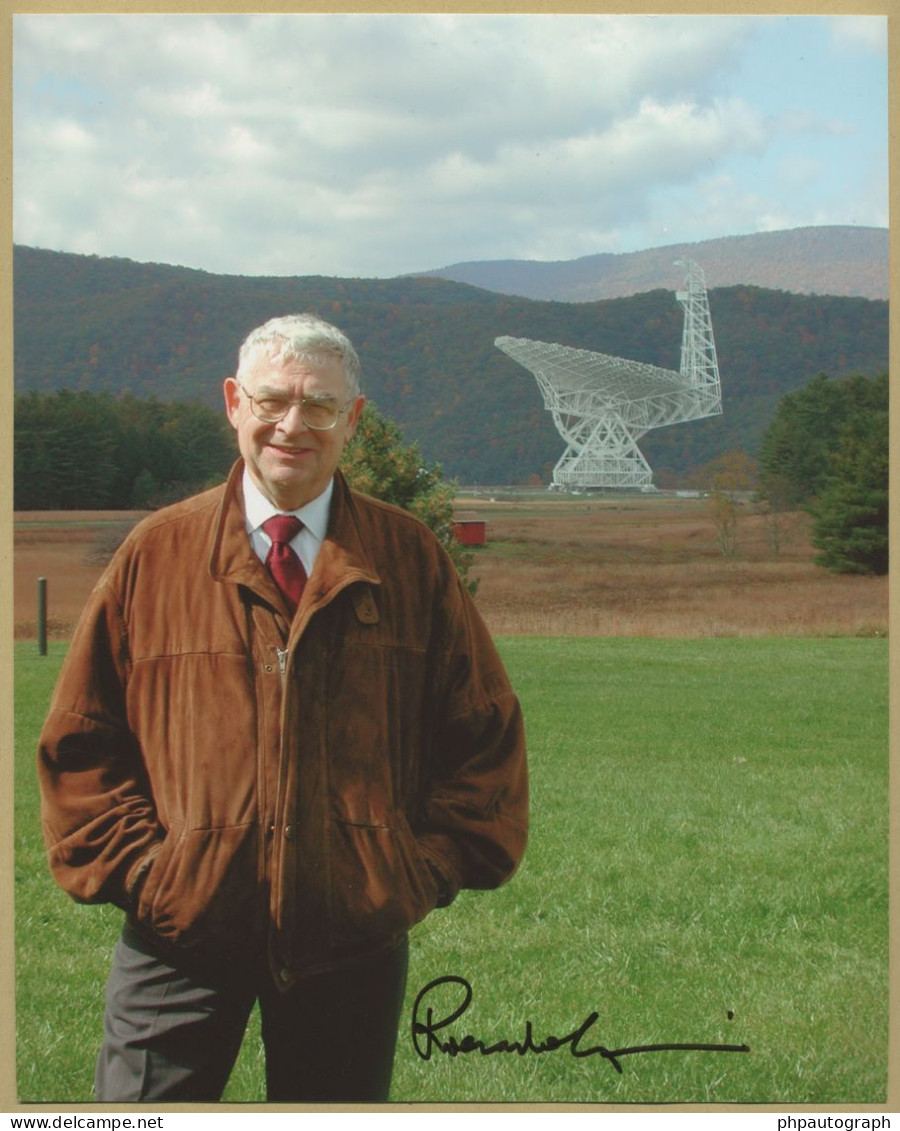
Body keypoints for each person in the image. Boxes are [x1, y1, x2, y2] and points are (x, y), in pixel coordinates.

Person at [37, 313, 528, 1103]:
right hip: (178, 941)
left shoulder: (409, 562)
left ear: (354, 419)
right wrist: (156, 876)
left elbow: (486, 743)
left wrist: (407, 872)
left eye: (320, 406)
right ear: (234, 402)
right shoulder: (156, 556)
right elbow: (80, 744)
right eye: (271, 400)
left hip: (352, 942)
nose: (292, 425)